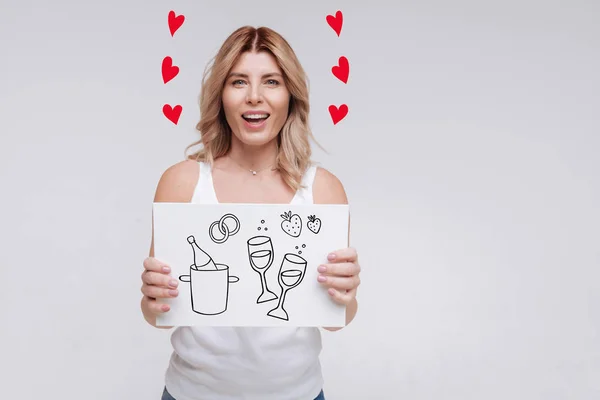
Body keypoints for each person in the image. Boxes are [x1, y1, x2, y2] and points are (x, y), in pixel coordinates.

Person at [141, 26, 361, 400]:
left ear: (290, 95)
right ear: (221, 95)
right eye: (239, 81)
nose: (254, 97)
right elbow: (158, 316)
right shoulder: (181, 182)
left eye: (271, 81)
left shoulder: (323, 189)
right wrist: (151, 297)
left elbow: (337, 321)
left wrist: (346, 293)